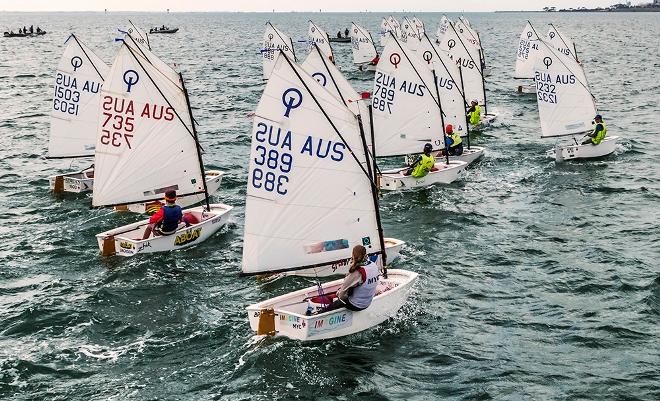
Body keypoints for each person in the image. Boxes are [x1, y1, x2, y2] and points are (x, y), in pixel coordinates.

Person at [319, 245, 380, 313]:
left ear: (353, 256)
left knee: (335, 302)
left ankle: (320, 313)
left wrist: (339, 295)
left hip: (356, 305)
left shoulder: (357, 272)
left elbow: (342, 293)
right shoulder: (373, 265)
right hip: (367, 302)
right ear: (365, 255)